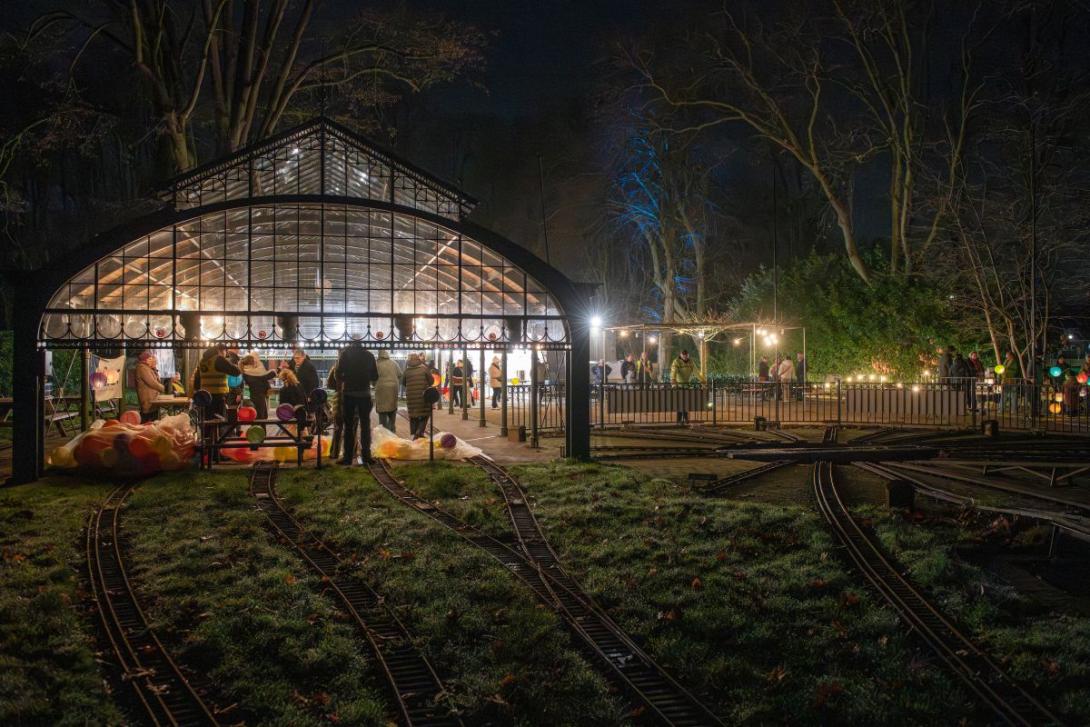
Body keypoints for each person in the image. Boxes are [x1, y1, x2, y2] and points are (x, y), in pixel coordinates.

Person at [332, 341, 378, 465]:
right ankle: (366, 456)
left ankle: (347, 457)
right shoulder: (369, 355)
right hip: (364, 394)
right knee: (365, 426)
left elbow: (338, 373)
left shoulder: (345, 354)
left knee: (348, 427)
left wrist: (346, 380)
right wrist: (365, 377)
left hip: (349, 394)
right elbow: (375, 376)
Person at [196, 343, 241, 420]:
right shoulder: (218, 359)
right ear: (219, 351)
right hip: (218, 397)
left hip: (204, 396)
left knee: (207, 421)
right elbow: (236, 372)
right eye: (225, 351)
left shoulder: (202, 361)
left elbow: (197, 380)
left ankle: (207, 432)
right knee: (219, 420)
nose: (225, 354)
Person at [403, 353, 433, 438]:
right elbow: (431, 381)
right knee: (425, 413)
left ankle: (413, 434)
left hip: (411, 397)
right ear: (418, 359)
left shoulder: (407, 371)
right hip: (423, 396)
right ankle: (419, 432)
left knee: (413, 415)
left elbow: (403, 382)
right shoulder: (424, 369)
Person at [239, 352, 277, 420]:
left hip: (254, 398)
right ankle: (259, 430)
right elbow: (271, 374)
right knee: (260, 418)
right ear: (251, 363)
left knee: (256, 418)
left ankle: (256, 430)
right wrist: (275, 370)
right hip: (258, 399)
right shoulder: (253, 374)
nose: (256, 363)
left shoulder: (247, 373)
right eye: (255, 362)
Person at [374, 350, 401, 433]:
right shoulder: (394, 363)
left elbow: (372, 378)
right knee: (392, 411)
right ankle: (392, 431)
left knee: (382, 413)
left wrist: (374, 384)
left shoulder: (376, 364)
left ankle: (384, 433)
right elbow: (400, 374)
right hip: (393, 390)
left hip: (381, 390)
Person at [135, 351, 165, 423]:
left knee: (153, 419)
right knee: (147, 419)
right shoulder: (142, 367)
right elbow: (152, 382)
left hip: (152, 399)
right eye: (151, 358)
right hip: (147, 398)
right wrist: (162, 388)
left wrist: (154, 368)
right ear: (146, 359)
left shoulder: (148, 368)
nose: (153, 360)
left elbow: (158, 380)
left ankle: (151, 432)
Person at [670, 350, 696, 424]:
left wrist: (702, 381)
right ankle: (679, 420)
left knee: (685, 403)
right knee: (680, 404)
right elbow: (673, 371)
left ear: (688, 355)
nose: (685, 358)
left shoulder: (690, 362)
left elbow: (696, 371)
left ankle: (685, 419)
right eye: (683, 356)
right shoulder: (676, 362)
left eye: (686, 356)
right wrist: (673, 380)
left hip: (686, 385)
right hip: (679, 386)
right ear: (681, 355)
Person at [326, 365, 343, 461]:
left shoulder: (336, 367)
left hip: (339, 398)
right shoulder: (356, 366)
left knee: (338, 427)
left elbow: (330, 384)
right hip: (353, 399)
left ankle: (334, 453)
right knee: (352, 428)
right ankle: (352, 453)